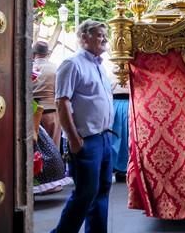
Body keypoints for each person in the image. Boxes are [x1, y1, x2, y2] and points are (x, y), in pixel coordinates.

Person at [51, 20, 115, 233]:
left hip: (104, 137)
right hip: (86, 139)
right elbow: (62, 102)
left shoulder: (99, 65)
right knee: (85, 194)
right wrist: (74, 138)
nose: (104, 39)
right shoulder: (72, 63)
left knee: (102, 191)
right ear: (83, 37)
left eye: (104, 35)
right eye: (99, 35)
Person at [32, 41, 61, 151]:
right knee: (52, 149)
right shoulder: (55, 68)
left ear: (34, 53)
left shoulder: (29, 68)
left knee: (33, 149)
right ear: (47, 54)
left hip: (32, 112)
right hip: (51, 111)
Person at [111, 79, 130, 182]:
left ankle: (127, 167)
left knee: (127, 137)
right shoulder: (111, 73)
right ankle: (118, 167)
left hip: (128, 103)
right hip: (116, 104)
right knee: (117, 137)